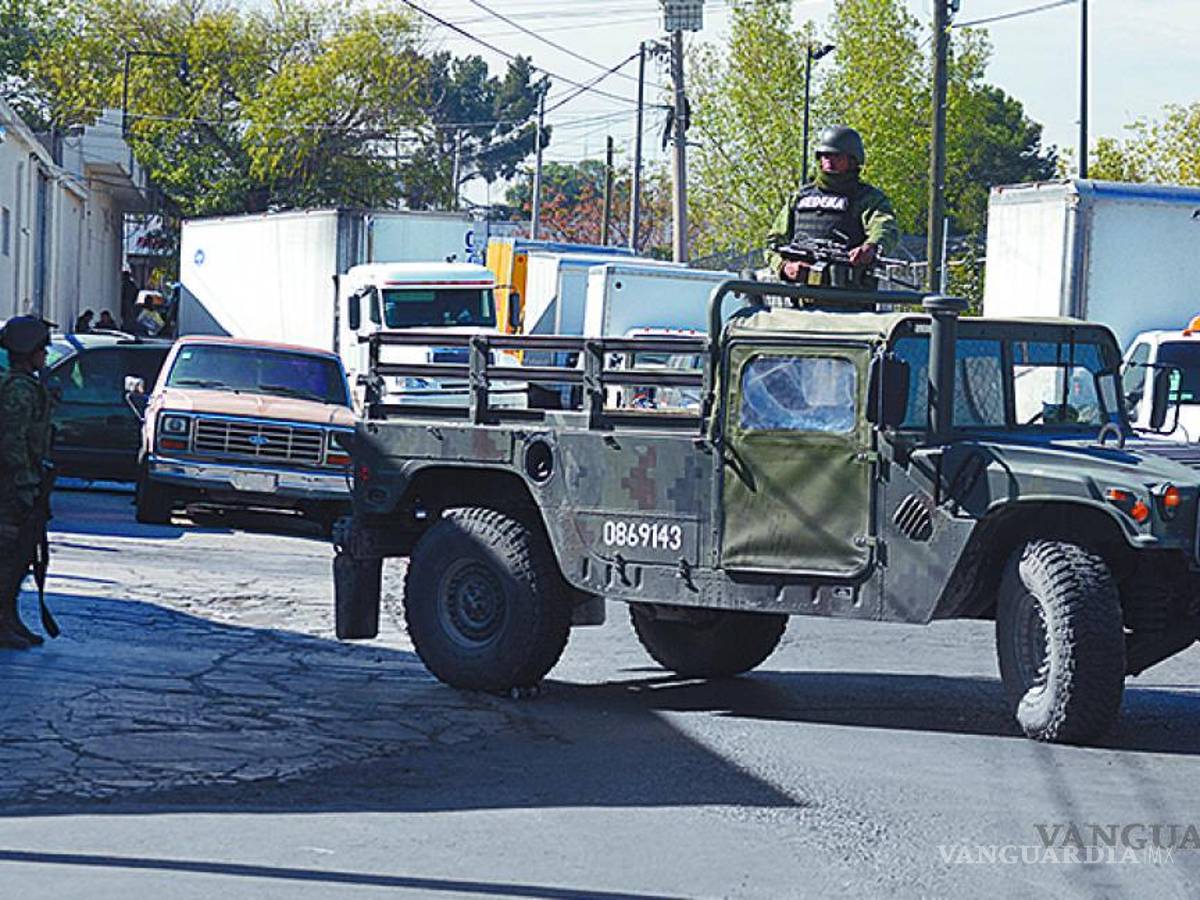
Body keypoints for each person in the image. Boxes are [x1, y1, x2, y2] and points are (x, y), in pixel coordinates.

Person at [765, 125, 899, 287]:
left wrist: (870, 247)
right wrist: (784, 267)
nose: (829, 160)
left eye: (836, 155)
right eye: (825, 155)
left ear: (852, 160)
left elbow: (885, 227)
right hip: (802, 302)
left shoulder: (867, 198)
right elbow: (773, 243)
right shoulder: (800, 198)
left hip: (852, 303)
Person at [0, 316, 54, 649]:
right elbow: (12, 441)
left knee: (21, 556)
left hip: (23, 483)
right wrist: (23, 484)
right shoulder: (18, 389)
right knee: (8, 555)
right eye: (42, 349)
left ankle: (9, 615)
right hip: (10, 488)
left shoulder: (25, 386)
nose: (45, 354)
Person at [120, 268, 140, 332]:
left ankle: (126, 328)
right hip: (129, 303)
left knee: (126, 316)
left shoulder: (123, 284)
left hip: (125, 303)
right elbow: (137, 292)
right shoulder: (132, 284)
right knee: (128, 317)